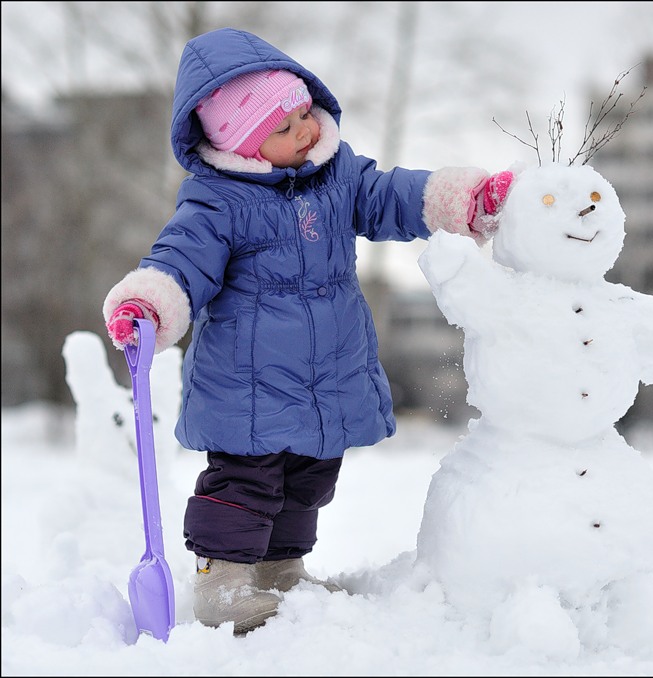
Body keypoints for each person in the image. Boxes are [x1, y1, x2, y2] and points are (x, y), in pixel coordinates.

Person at [103, 27, 513, 636]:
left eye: (303, 112)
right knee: (245, 482)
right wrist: (150, 303)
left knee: (311, 477)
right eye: (284, 126)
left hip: (329, 374)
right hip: (248, 383)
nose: (306, 130)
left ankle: (279, 571)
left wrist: (461, 200)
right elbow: (178, 260)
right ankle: (222, 580)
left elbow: (391, 195)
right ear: (242, 145)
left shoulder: (339, 175)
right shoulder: (217, 204)